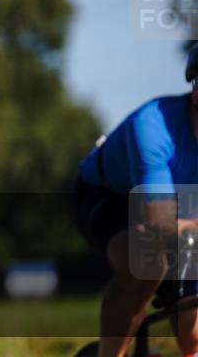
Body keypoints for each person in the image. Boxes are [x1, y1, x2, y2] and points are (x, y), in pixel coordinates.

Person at [74, 43, 198, 357]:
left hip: (186, 211)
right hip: (108, 198)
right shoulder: (154, 125)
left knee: (193, 337)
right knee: (149, 258)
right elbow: (158, 225)